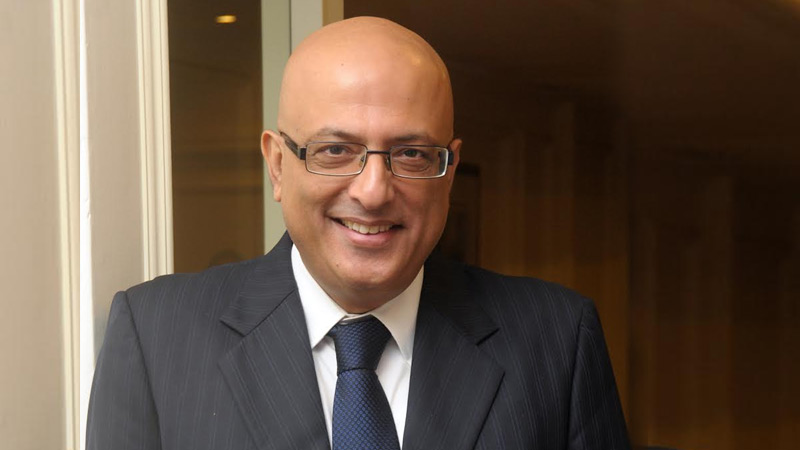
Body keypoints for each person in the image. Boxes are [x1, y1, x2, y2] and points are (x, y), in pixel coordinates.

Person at [87, 17, 630, 450]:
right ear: (277, 165)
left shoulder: (557, 342)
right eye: (335, 150)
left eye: (411, 154)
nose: (373, 191)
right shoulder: (156, 338)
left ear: (449, 172)